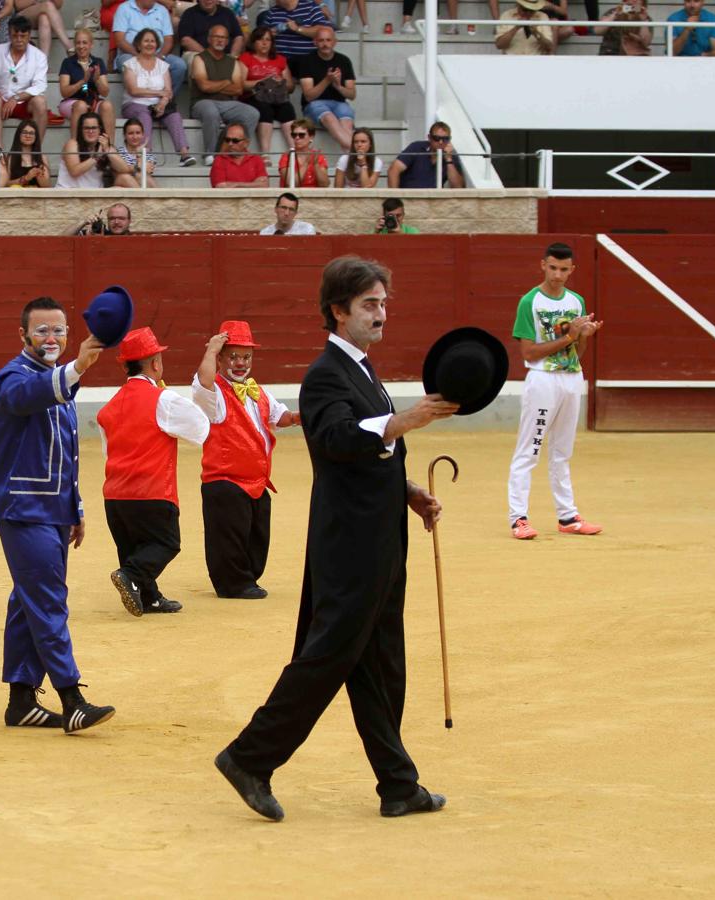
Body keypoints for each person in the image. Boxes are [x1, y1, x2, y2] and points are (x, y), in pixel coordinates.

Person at [213, 255, 459, 823]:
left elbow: (366, 457)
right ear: (338, 310)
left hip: (377, 535)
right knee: (327, 658)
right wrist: (401, 424)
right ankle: (249, 757)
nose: (381, 314)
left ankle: (398, 784)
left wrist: (407, 491)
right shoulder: (325, 373)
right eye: (370, 304)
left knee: (381, 663)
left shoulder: (363, 370)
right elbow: (335, 440)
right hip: (348, 545)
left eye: (383, 304)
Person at [0, 296, 117, 733]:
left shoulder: (56, 380)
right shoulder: (13, 377)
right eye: (42, 330)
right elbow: (27, 398)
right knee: (47, 600)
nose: (52, 338)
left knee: (28, 599)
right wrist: (77, 367)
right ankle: (71, 696)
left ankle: (21, 701)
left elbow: (65, 451)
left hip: (52, 507)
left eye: (59, 330)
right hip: (21, 508)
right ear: (22, 335)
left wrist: (74, 506)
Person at [97, 327, 211, 617]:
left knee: (132, 547)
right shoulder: (163, 399)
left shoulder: (107, 409)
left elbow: (108, 453)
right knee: (166, 543)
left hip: (115, 496)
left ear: (126, 365)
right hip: (152, 492)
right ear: (155, 363)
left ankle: (149, 597)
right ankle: (132, 577)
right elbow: (200, 428)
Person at [191, 321, 298, 599]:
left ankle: (247, 578)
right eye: (233, 356)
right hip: (225, 480)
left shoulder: (257, 391)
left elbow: (281, 417)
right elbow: (203, 381)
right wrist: (211, 351)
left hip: (257, 481)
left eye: (246, 356)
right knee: (229, 537)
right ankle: (233, 584)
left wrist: (304, 416)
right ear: (221, 358)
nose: (240, 363)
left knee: (256, 535)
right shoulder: (214, 392)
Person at [507, 242, 604, 540]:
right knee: (530, 448)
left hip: (571, 377)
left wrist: (583, 336)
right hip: (542, 380)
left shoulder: (576, 302)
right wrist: (569, 337)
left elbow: (579, 351)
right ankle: (518, 518)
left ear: (572, 270)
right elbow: (529, 353)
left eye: (564, 269)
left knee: (562, 451)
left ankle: (567, 516)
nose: (557, 275)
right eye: (553, 268)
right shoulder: (530, 302)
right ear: (543, 265)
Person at [120, 29, 196, 166]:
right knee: (144, 115)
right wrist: (159, 94)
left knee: (174, 116)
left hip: (158, 105)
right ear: (138, 44)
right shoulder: (130, 64)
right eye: (146, 41)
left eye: (153, 41)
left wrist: (163, 103)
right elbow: (133, 90)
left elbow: (168, 91)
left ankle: (184, 155)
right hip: (135, 104)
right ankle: (146, 155)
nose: (150, 44)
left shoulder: (163, 65)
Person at [192, 24, 261, 165]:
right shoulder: (199, 58)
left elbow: (238, 89)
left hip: (228, 104)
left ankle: (233, 152)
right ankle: (210, 155)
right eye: (217, 37)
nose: (220, 40)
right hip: (202, 102)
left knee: (252, 113)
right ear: (209, 39)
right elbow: (204, 87)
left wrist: (214, 85)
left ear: (228, 41)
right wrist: (226, 81)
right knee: (211, 111)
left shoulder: (232, 61)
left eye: (223, 37)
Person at [239, 26, 298, 157]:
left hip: (276, 96)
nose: (265, 43)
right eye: (260, 39)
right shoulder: (246, 58)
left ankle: (294, 150)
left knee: (287, 108)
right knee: (265, 109)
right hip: (253, 96)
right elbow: (241, 84)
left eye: (268, 40)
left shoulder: (280, 60)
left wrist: (280, 82)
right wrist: (263, 81)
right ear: (253, 42)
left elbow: (290, 86)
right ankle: (265, 153)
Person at [0, 17, 50, 141]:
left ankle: (35, 152)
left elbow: (40, 86)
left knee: (40, 102)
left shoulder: (39, 56)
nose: (19, 40)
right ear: (9, 35)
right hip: (2, 100)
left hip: (24, 102)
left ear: (29, 35)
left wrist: (16, 98)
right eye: (15, 35)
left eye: (23, 36)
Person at [296, 26, 356, 152]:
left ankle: (352, 160)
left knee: (346, 120)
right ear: (315, 42)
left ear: (335, 42)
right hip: (314, 105)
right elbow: (309, 96)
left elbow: (351, 94)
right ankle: (359, 153)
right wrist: (327, 80)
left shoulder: (344, 61)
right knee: (329, 117)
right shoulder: (306, 61)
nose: (325, 44)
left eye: (328, 40)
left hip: (339, 102)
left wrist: (338, 86)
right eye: (321, 40)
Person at [113, 0, 188, 93]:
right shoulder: (124, 8)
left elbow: (168, 40)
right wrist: (140, 56)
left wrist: (159, 57)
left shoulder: (162, 10)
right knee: (126, 61)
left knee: (179, 65)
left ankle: (167, 100)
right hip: (131, 54)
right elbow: (120, 40)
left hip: (157, 55)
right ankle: (139, 99)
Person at [59, 28, 116, 141]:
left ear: (91, 45)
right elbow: (64, 92)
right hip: (71, 102)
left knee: (107, 106)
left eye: (84, 42)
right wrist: (82, 82)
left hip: (92, 102)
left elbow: (105, 92)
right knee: (81, 105)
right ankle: (75, 147)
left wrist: (97, 80)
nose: (81, 46)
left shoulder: (98, 62)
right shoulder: (68, 62)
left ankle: (109, 148)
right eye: (78, 43)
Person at [58, 111, 134, 188]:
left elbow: (125, 169)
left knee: (125, 179)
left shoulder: (106, 147)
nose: (90, 131)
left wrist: (107, 150)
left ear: (100, 130)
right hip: (70, 193)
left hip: (95, 195)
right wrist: (96, 157)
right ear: (81, 130)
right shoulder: (72, 144)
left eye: (94, 128)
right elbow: (74, 172)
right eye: (86, 128)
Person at [256, 0, 331, 74]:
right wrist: (269, 34)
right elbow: (260, 36)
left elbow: (323, 32)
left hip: (306, 60)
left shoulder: (311, 7)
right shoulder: (272, 11)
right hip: (280, 62)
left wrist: (298, 29)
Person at [388, 121, 463, 189]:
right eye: (436, 138)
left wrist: (449, 160)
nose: (440, 142)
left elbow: (458, 187)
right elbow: (393, 170)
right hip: (409, 197)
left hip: (435, 199)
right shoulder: (416, 148)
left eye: (445, 139)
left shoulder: (451, 156)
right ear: (429, 137)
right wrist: (395, 197)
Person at [178, 0, 246, 57]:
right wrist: (208, 57)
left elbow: (238, 37)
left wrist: (232, 57)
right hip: (198, 55)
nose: (208, 0)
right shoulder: (189, 13)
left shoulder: (227, 13)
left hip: (226, 56)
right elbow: (185, 40)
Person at [210, 123, 269, 187]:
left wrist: (236, 185)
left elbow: (264, 185)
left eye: (235, 141)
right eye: (227, 140)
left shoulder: (256, 159)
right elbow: (221, 187)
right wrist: (252, 185)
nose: (230, 144)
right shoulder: (219, 160)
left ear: (246, 143)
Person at [276, 117, 329, 188]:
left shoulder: (318, 156)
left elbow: (324, 184)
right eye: (294, 135)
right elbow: (291, 184)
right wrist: (306, 164)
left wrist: (316, 165)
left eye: (301, 135)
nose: (297, 138)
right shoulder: (287, 156)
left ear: (311, 137)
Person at [4, 119, 51, 186]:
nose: (28, 136)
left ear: (36, 137)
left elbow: (47, 187)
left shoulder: (42, 157)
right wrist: (26, 178)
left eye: (31, 133)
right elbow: (5, 184)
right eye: (24, 132)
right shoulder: (10, 157)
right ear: (18, 135)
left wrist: (41, 177)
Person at [116, 117, 159, 187]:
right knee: (127, 176)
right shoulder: (118, 153)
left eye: (138, 133)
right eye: (130, 133)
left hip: (142, 185)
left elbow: (148, 172)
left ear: (142, 135)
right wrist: (138, 166)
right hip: (124, 185)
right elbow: (119, 172)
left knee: (141, 175)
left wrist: (139, 155)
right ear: (124, 135)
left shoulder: (148, 155)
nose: (135, 137)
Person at [65, 201, 133, 235]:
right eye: (112, 218)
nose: (116, 222)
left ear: (129, 221)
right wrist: (83, 222)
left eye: (121, 218)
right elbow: (62, 239)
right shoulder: (99, 234)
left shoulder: (136, 240)